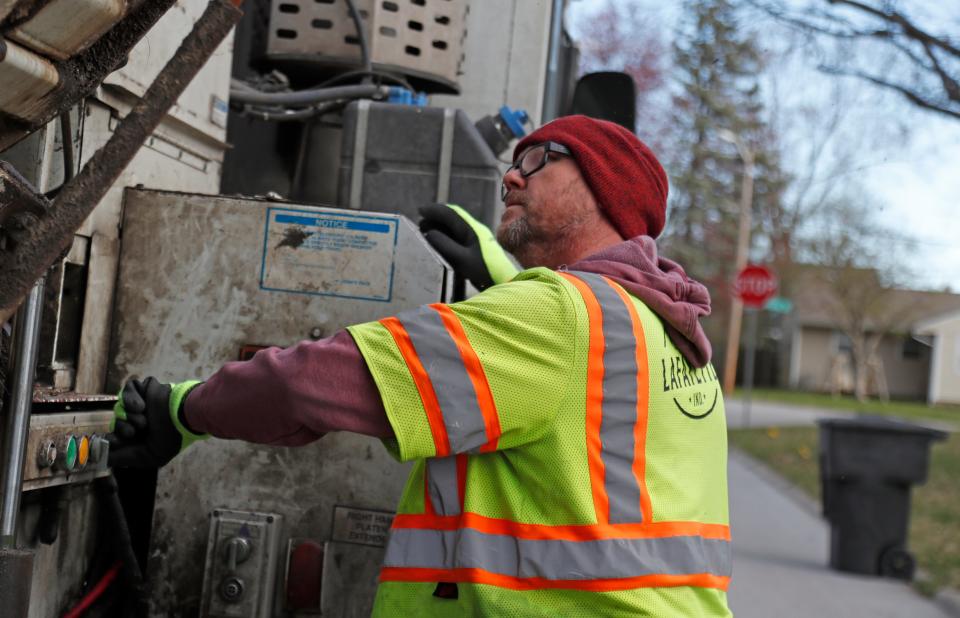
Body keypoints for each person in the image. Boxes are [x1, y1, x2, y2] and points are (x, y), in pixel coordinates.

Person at [108, 115, 732, 617]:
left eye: (540, 159)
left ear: (608, 187)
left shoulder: (560, 318)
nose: (512, 178)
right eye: (512, 162)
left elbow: (316, 382)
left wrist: (182, 410)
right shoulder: (663, 326)